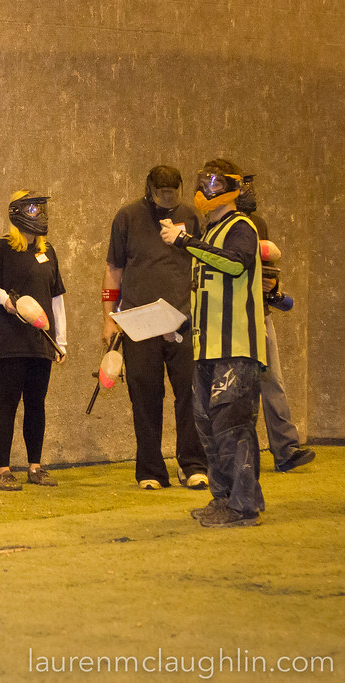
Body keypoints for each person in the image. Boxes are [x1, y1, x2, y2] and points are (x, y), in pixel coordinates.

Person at [160, 158, 266, 528]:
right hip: (207, 348)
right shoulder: (209, 235)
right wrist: (182, 327)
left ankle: (243, 507)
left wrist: (185, 241)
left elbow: (236, 265)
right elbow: (209, 295)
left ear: (234, 188)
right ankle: (223, 500)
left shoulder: (241, 226)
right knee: (208, 427)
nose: (207, 189)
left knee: (233, 427)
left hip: (236, 348)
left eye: (216, 182)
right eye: (204, 181)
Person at [102, 166, 209, 490]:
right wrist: (109, 319)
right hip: (140, 323)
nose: (167, 200)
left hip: (183, 322)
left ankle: (192, 465)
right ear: (149, 189)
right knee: (145, 397)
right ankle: (150, 470)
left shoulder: (192, 217)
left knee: (190, 395)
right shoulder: (128, 217)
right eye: (161, 194)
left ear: (180, 189)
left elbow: (205, 264)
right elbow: (113, 271)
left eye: (173, 194)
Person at [0, 191, 67, 491]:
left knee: (36, 403)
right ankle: (2, 470)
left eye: (42, 207)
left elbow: (56, 298)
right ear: (18, 211)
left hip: (41, 341)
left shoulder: (48, 252)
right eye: (33, 207)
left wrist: (61, 340)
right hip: (9, 340)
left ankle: (35, 467)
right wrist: (3, 300)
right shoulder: (2, 248)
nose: (40, 213)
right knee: (8, 402)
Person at [236, 174, 316, 473]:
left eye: (249, 187)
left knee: (273, 383)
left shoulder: (257, 223)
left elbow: (265, 267)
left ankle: (286, 450)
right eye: (242, 187)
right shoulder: (215, 227)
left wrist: (271, 288)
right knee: (232, 390)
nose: (248, 193)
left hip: (260, 314)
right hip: (230, 318)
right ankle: (233, 458)